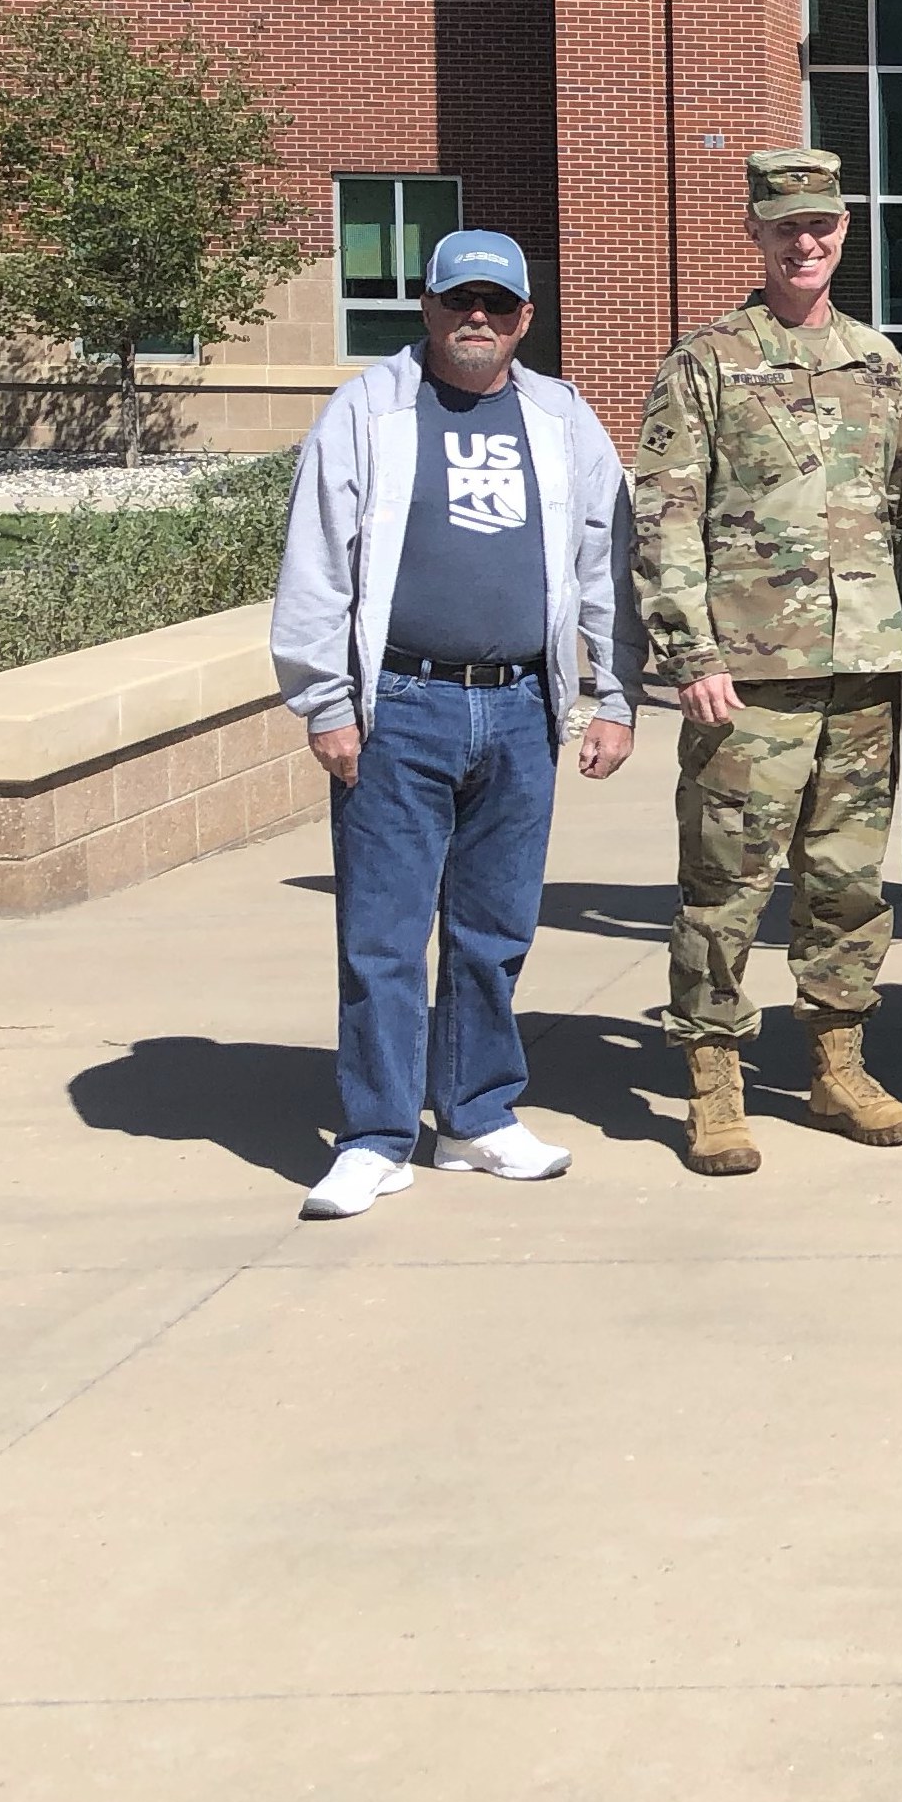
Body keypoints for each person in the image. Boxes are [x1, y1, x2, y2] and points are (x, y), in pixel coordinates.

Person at [271, 230, 640, 1221]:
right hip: (403, 706)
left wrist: (613, 694)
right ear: (428, 309)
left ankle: (475, 1118)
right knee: (382, 938)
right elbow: (318, 559)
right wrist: (324, 701)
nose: (479, 317)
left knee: (493, 931)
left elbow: (607, 561)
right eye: (460, 301)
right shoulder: (370, 410)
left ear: (526, 317)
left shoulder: (561, 416)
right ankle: (377, 1136)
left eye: (500, 304)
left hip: (522, 706)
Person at [634, 148, 902, 1177]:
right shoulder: (709, 360)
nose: (805, 242)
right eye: (785, 226)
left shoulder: (878, 362)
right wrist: (690, 651)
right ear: (755, 233)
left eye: (823, 225)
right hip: (747, 681)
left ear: (845, 229)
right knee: (726, 885)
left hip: (863, 674)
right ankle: (714, 1078)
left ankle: (837, 1064)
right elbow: (665, 515)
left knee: (848, 884)